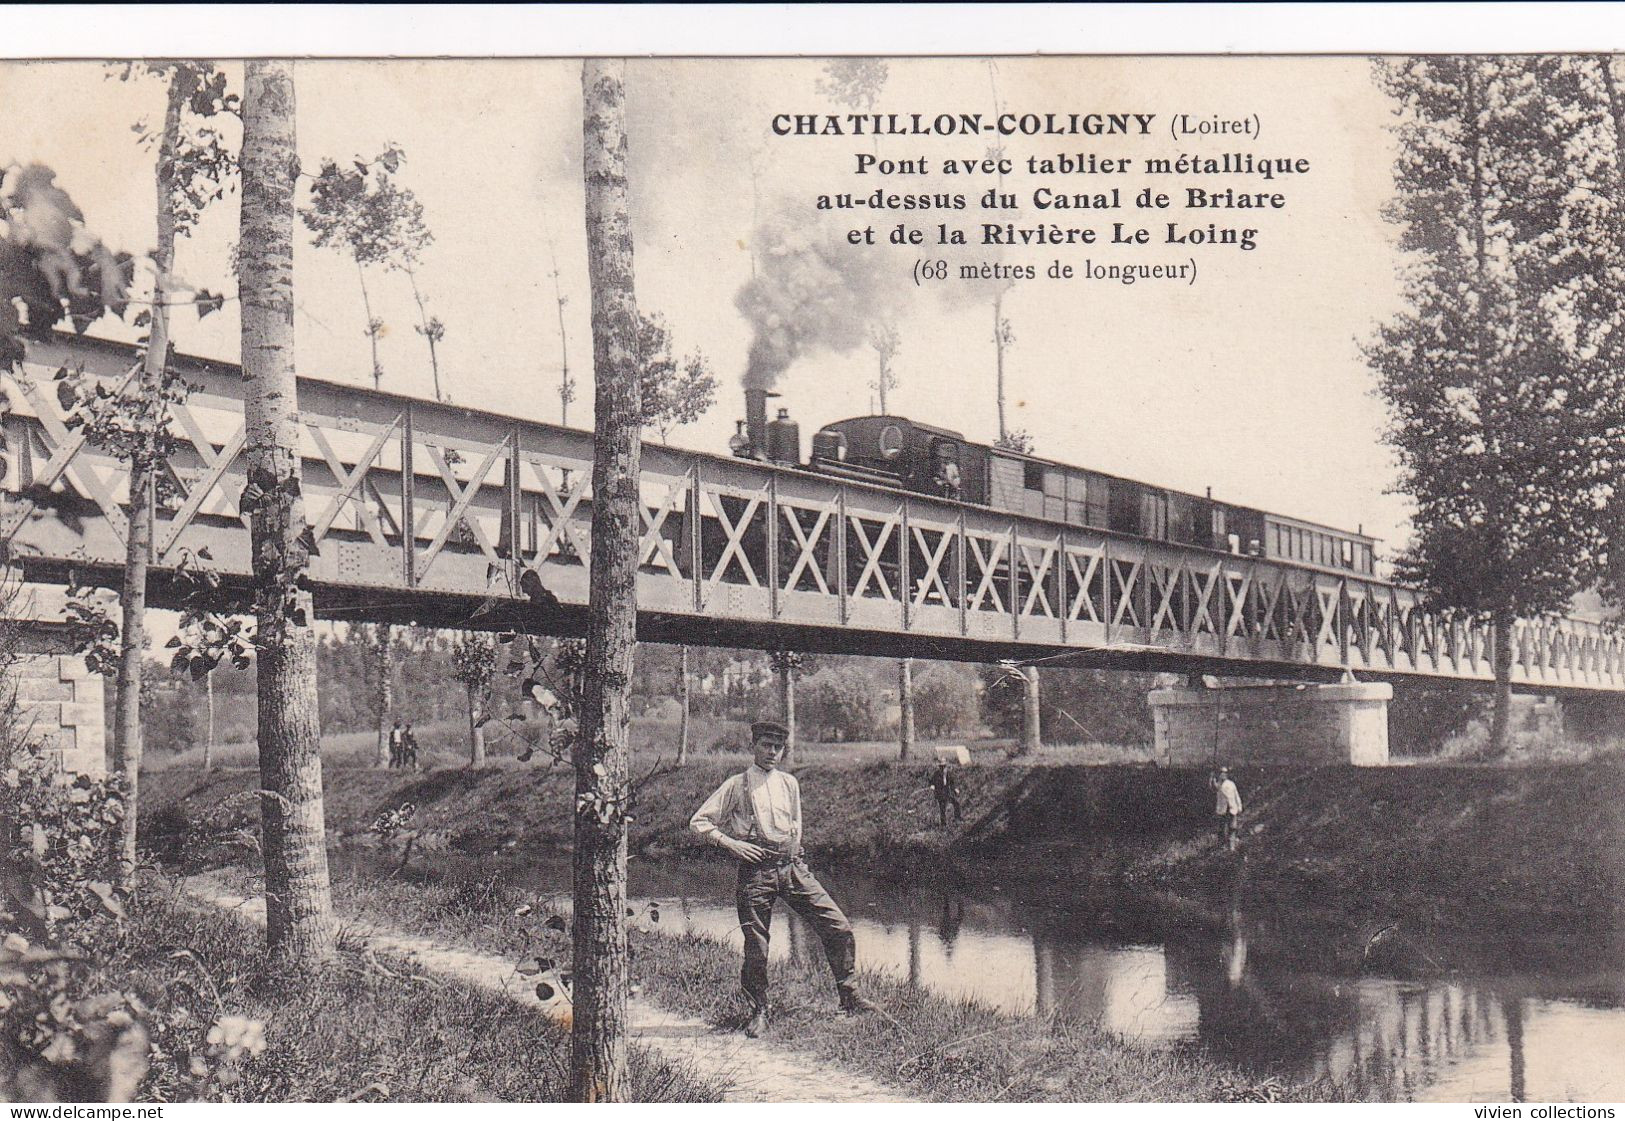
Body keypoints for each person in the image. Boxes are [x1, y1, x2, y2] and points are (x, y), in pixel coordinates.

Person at [690, 719, 879, 1037]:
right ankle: (758, 1010)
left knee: (839, 927)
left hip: (792, 868)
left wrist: (796, 856)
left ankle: (850, 997)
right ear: (753, 747)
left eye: (778, 747)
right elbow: (699, 821)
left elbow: (795, 826)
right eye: (766, 745)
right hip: (755, 873)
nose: (772, 752)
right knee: (757, 946)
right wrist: (733, 845)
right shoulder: (737, 785)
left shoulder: (790, 783)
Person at [1211, 766, 1243, 851]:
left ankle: (1232, 846)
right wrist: (1212, 778)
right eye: (1221, 773)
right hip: (1222, 810)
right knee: (1222, 828)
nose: (1223, 775)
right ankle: (1222, 846)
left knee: (1232, 828)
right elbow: (1213, 788)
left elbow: (1236, 795)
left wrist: (1239, 806)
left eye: (1225, 773)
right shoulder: (1218, 784)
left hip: (1231, 809)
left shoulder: (1231, 784)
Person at [930, 758, 963, 826]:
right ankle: (943, 823)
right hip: (940, 793)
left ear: (946, 766)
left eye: (944, 766)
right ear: (939, 767)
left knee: (956, 803)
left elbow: (952, 782)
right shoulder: (936, 774)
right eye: (941, 766)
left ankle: (957, 818)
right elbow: (932, 781)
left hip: (948, 792)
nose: (943, 768)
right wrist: (932, 786)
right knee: (942, 808)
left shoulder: (949, 773)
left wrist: (955, 789)